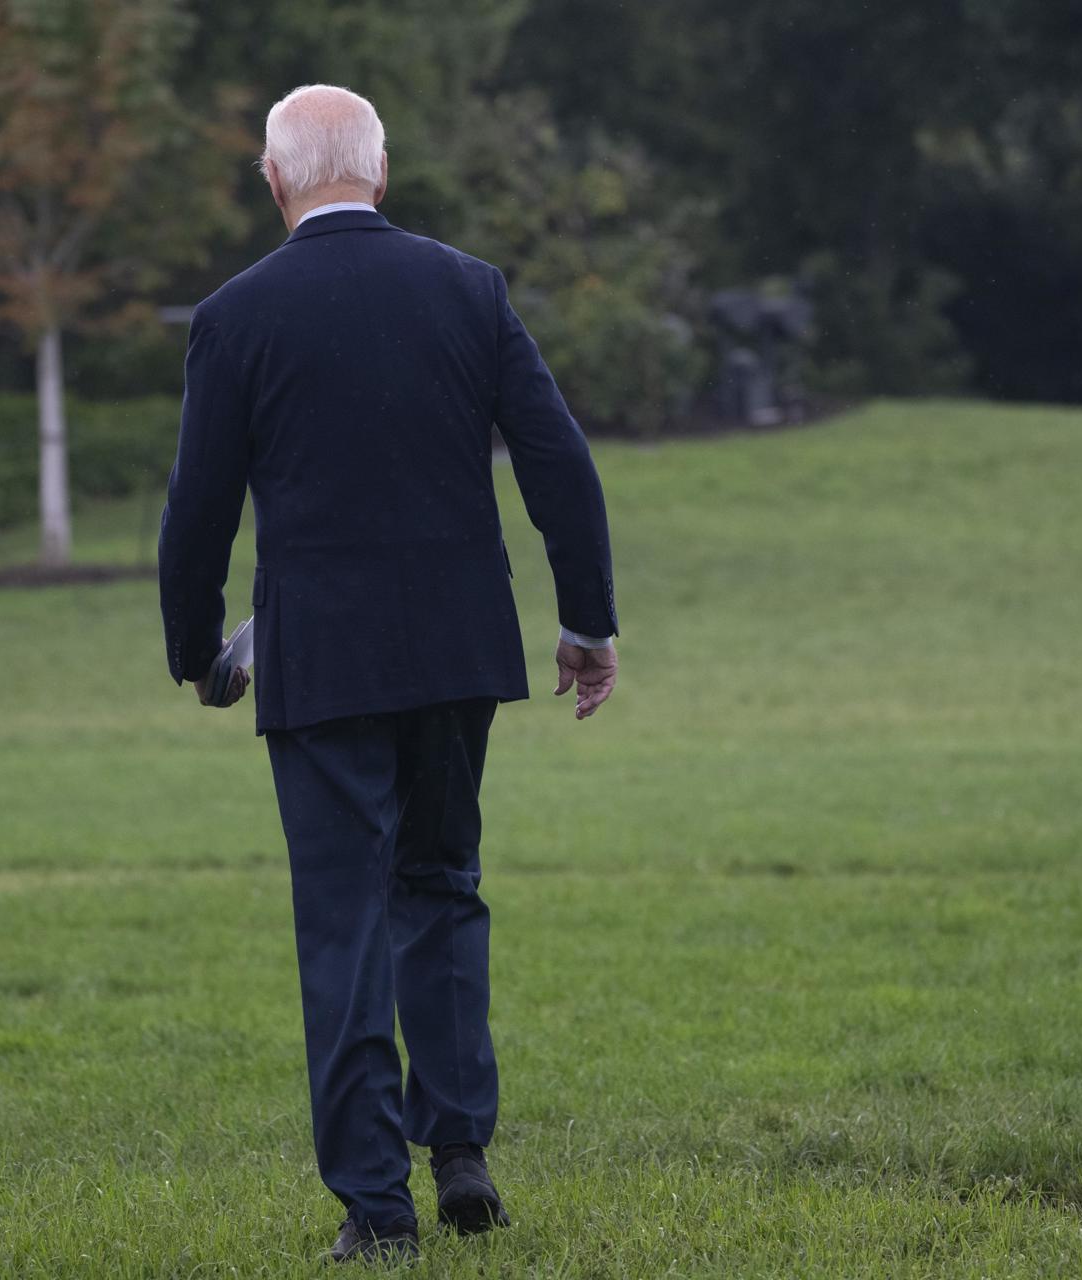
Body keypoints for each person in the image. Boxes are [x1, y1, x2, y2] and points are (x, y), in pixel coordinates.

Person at [157, 83, 619, 1265]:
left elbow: (197, 509)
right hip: (459, 646)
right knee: (443, 882)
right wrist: (587, 623)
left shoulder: (235, 315)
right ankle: (460, 1148)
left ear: (275, 181)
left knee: (343, 923)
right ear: (381, 169)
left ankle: (378, 1206)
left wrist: (194, 650)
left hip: (319, 656)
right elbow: (559, 457)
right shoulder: (468, 287)